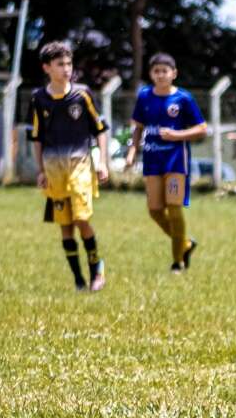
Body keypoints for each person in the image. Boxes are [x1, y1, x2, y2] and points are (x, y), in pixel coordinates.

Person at [28, 41, 109, 292]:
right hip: (54, 169)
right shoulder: (39, 99)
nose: (66, 69)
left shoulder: (82, 94)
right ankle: (78, 279)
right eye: (60, 64)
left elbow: (100, 130)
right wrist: (40, 169)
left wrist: (102, 161)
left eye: (69, 63)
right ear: (47, 68)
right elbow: (37, 137)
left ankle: (97, 270)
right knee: (65, 226)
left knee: (81, 218)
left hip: (80, 165)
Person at [124, 53, 208, 273]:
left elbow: (202, 128)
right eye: (156, 71)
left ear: (174, 74)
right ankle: (186, 244)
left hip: (175, 162)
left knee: (174, 206)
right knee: (154, 210)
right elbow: (138, 127)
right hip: (152, 160)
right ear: (151, 74)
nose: (161, 75)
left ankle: (177, 262)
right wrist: (132, 151)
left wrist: (176, 135)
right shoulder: (144, 97)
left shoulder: (183, 99)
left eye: (165, 71)